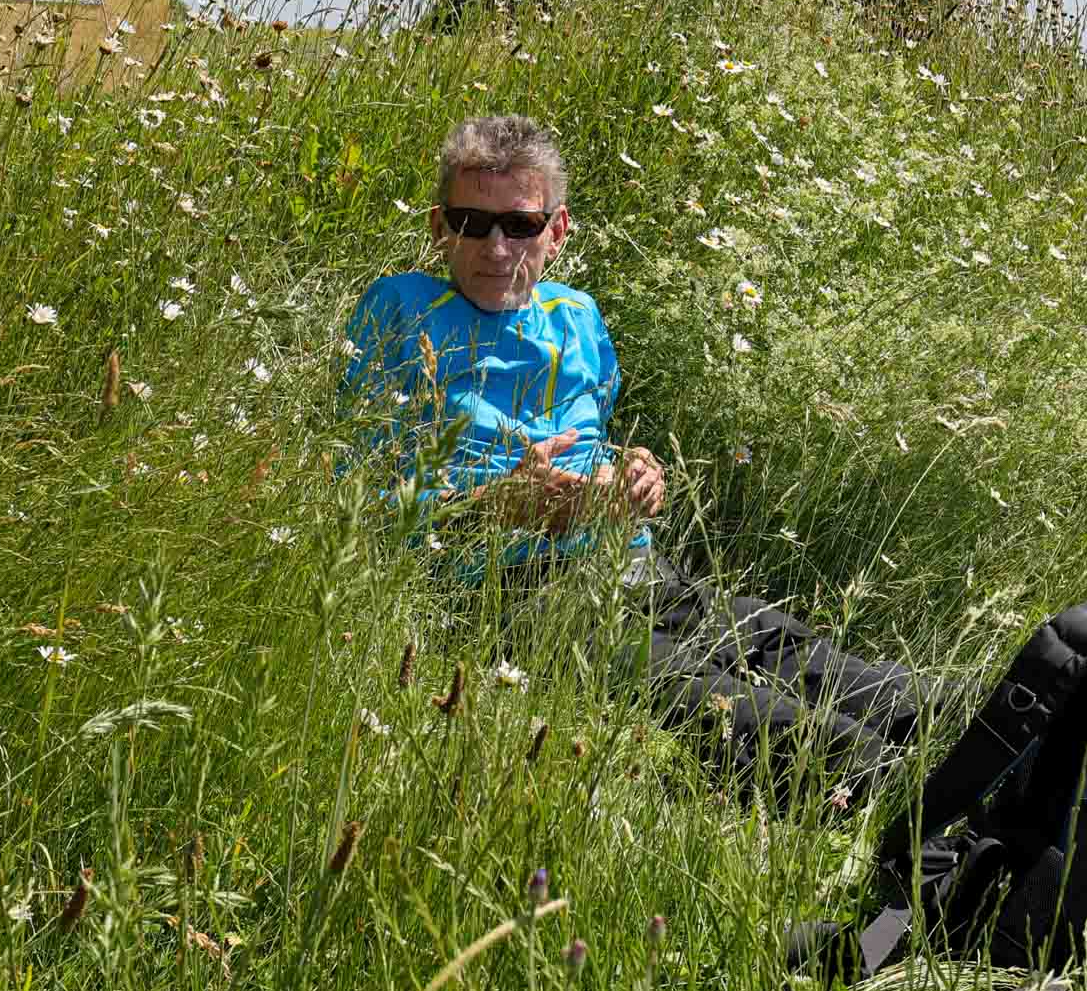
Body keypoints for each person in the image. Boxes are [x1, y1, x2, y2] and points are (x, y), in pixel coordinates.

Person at [338, 113, 936, 795]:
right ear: (440, 226)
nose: (498, 248)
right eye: (474, 223)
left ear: (556, 233)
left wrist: (636, 475)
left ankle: (1008, 729)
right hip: (511, 598)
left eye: (521, 226)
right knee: (790, 731)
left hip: (634, 568)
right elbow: (356, 503)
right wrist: (493, 506)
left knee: (824, 664)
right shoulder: (398, 311)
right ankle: (904, 800)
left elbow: (595, 440)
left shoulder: (577, 318)